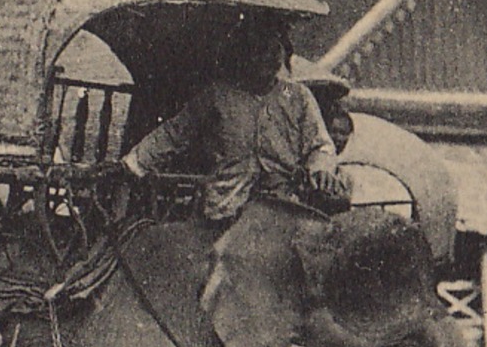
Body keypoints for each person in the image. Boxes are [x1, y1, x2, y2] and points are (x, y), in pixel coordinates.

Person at [122, 15, 348, 221]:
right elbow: (173, 134)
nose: (266, 59)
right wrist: (132, 164)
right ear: (242, 54)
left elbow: (320, 145)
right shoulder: (219, 95)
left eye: (274, 50)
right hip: (226, 206)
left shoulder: (295, 95)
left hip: (284, 206)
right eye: (258, 50)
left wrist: (321, 168)